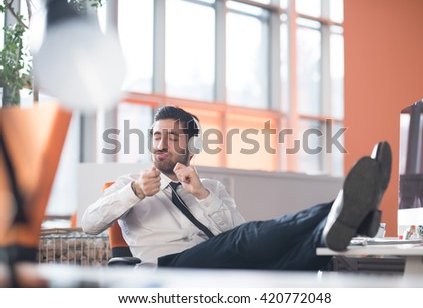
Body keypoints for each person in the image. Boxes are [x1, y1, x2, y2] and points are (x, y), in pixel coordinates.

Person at [82, 105, 392, 270]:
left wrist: (202, 195)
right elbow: (89, 223)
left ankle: (344, 221)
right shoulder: (129, 185)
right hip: (167, 269)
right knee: (244, 240)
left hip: (217, 264)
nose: (162, 144)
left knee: (303, 259)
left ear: (191, 147)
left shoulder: (210, 187)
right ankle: (347, 209)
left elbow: (241, 235)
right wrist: (136, 191)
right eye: (157, 136)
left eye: (173, 137)